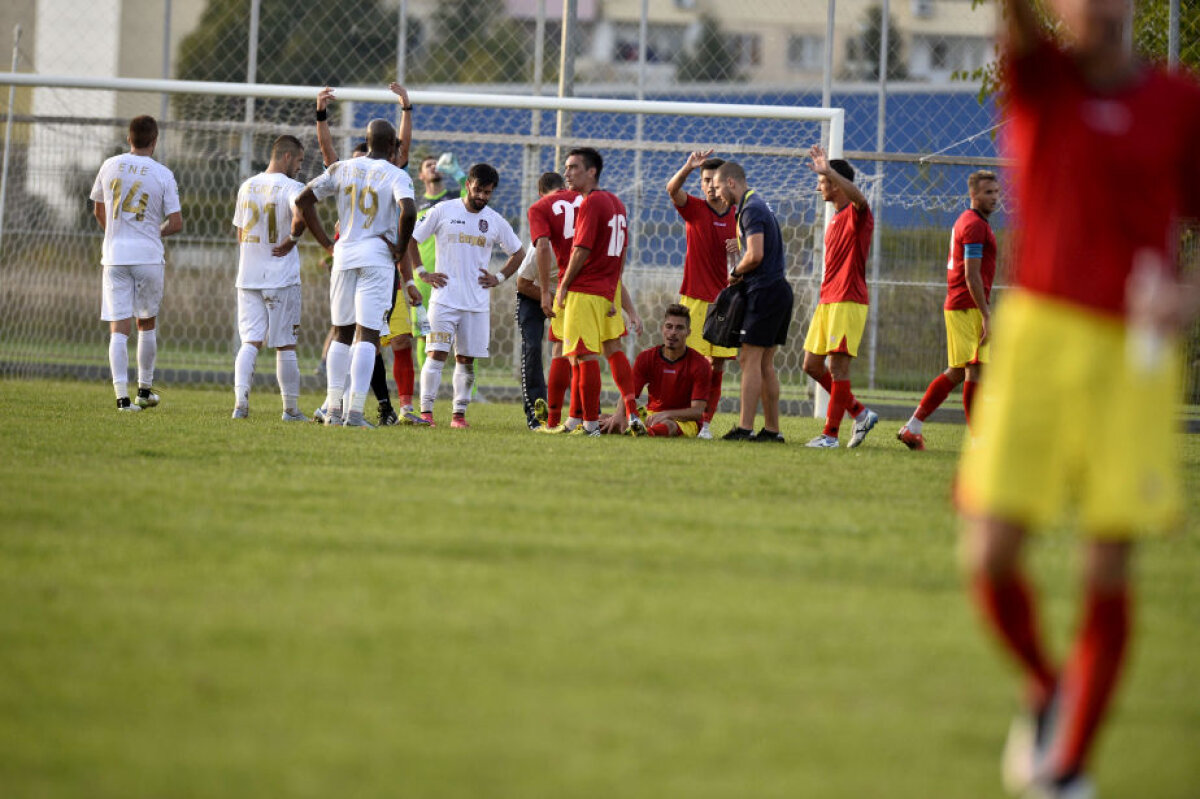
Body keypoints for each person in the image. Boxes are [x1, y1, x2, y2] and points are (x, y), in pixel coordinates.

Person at [957, 2, 1200, 798]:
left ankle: (1066, 769)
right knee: (988, 556)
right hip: (1036, 339)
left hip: (1133, 353)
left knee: (1106, 564)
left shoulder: (1176, 103)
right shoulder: (1040, 81)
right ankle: (1046, 682)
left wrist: (1187, 295)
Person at [288, 118, 419, 428]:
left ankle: (333, 410)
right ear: (391, 146)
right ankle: (355, 413)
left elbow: (303, 199)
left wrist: (326, 244)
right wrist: (400, 249)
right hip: (376, 257)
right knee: (368, 334)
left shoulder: (342, 168)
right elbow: (409, 210)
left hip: (344, 255)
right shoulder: (396, 173)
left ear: (367, 140)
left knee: (342, 332)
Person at [409, 163, 524, 427]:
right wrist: (422, 272)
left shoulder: (494, 220)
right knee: (436, 353)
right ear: (468, 184)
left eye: (488, 192)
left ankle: (458, 416)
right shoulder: (442, 210)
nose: (483, 196)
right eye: (479, 190)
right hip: (444, 299)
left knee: (466, 359)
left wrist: (500, 277)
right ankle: (426, 412)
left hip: (476, 304)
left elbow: (518, 253)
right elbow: (412, 239)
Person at [898, 171, 1000, 449]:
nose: (995, 198)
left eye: (996, 192)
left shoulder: (971, 221)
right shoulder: (975, 225)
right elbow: (971, 275)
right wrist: (986, 314)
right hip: (967, 306)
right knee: (975, 370)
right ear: (973, 195)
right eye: (988, 192)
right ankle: (978, 441)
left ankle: (913, 426)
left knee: (958, 370)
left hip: (961, 304)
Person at [89, 115, 183, 412]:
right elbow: (177, 223)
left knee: (119, 329)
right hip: (147, 256)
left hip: (115, 255)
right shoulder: (163, 173)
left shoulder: (110, 165)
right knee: (146, 324)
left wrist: (115, 234)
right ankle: (144, 391)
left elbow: (97, 209)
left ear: (129, 138)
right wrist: (157, 230)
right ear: (154, 141)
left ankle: (121, 399)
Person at [555, 147, 640, 437]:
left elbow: (581, 248)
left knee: (582, 356)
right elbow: (623, 250)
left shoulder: (591, 203)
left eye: (573, 167)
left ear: (592, 171)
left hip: (585, 288)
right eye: (566, 168)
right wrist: (613, 288)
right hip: (605, 289)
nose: (567, 173)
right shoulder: (616, 202)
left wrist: (563, 285)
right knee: (608, 350)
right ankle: (590, 418)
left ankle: (589, 424)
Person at [800, 146, 879, 449]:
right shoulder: (833, 218)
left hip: (848, 298)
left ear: (834, 182)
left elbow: (860, 198)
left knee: (838, 368)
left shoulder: (858, 214)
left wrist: (829, 171)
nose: (818, 186)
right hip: (827, 299)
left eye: (821, 181)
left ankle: (830, 435)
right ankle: (859, 412)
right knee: (811, 365)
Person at [229, 134, 308, 421]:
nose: (300, 166)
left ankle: (241, 405)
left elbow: (240, 233)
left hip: (249, 275)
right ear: (286, 157)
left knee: (250, 341)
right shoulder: (292, 186)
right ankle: (290, 410)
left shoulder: (246, 186)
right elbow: (300, 215)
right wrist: (292, 238)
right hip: (281, 276)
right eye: (299, 160)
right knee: (285, 343)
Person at [712, 161, 791, 443]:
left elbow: (755, 255)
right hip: (777, 290)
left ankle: (744, 428)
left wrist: (735, 272)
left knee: (749, 359)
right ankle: (772, 430)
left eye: (718, 186)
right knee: (765, 363)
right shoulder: (758, 204)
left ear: (731, 183)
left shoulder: (750, 208)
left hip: (765, 291)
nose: (717, 192)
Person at [666, 149, 739, 440]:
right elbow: (672, 190)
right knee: (690, 361)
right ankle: (683, 417)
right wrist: (687, 167)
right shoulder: (694, 208)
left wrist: (740, 251)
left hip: (724, 302)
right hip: (694, 299)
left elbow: (749, 260)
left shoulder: (738, 214)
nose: (709, 185)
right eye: (705, 180)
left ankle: (705, 423)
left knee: (716, 365)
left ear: (726, 184)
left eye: (714, 180)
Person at [597, 304, 711, 437]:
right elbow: (629, 393)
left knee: (669, 425)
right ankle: (586, 427)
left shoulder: (700, 364)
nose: (673, 332)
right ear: (662, 329)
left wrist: (667, 414)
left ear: (688, 332)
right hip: (652, 415)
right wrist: (618, 415)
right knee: (604, 417)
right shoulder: (646, 358)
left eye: (679, 328)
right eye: (669, 326)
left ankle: (642, 433)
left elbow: (697, 411)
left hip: (684, 421)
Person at [526, 171, 582, 430]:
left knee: (561, 350)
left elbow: (524, 279)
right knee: (598, 352)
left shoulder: (542, 210)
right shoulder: (589, 199)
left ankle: (560, 419)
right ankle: (589, 416)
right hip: (599, 283)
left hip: (565, 288)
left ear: (541, 192)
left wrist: (547, 293)